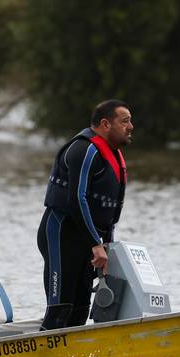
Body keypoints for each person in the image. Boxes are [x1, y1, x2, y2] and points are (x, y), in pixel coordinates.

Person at [37, 99, 134, 329]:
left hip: (88, 243)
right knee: (60, 310)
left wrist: (106, 246)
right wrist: (96, 244)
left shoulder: (112, 155)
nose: (131, 127)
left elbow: (109, 212)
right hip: (61, 235)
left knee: (80, 311)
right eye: (125, 121)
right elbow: (76, 199)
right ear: (105, 124)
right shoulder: (85, 149)